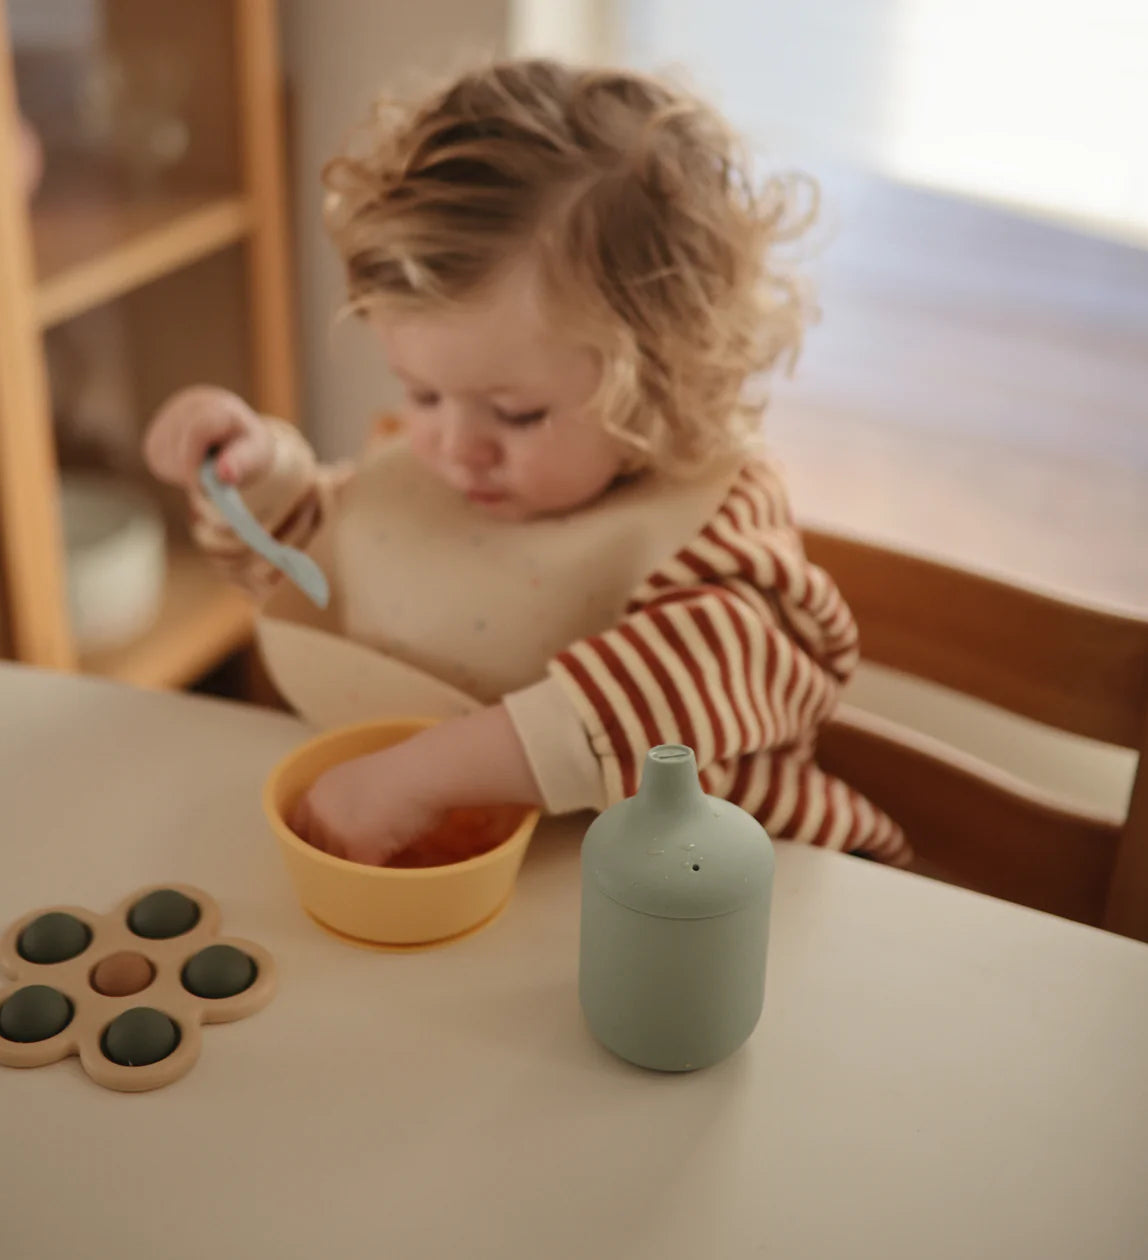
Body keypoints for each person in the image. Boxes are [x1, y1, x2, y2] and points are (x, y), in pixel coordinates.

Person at [144, 58, 907, 868]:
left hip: (732, 893)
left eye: (516, 414)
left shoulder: (712, 521)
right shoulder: (444, 468)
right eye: (422, 393)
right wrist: (252, 474)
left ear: (662, 381)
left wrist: (426, 776)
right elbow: (316, 569)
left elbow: (704, 670)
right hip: (525, 889)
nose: (453, 445)